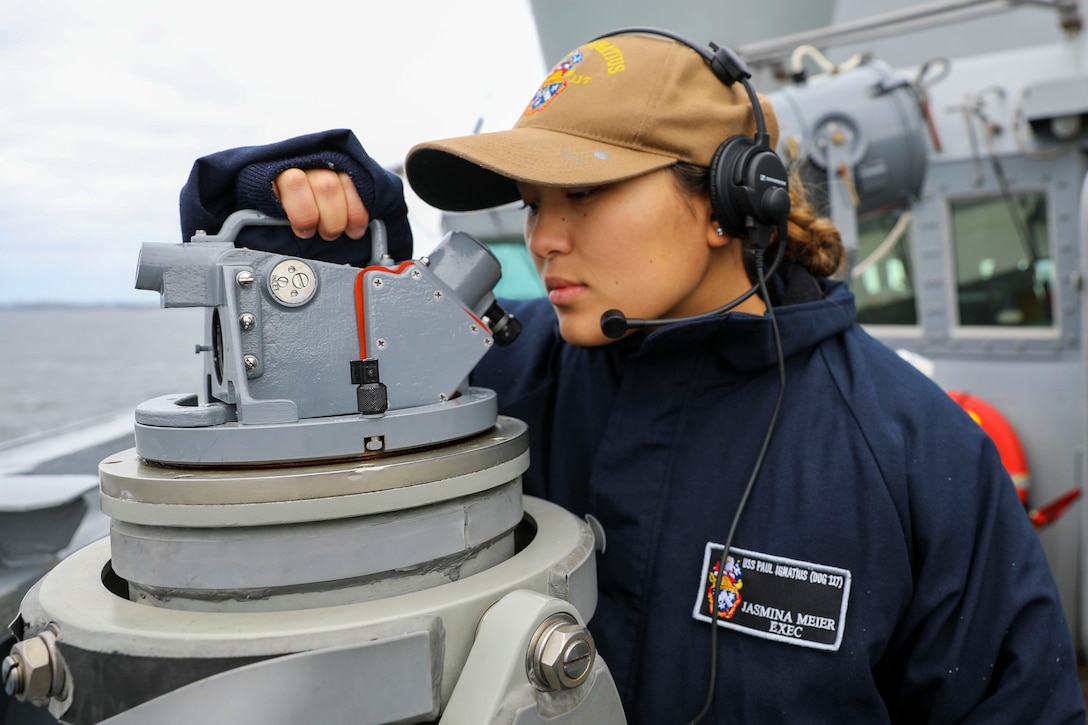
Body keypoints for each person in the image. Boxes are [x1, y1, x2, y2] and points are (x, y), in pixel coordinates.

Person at [179, 30, 1086, 724]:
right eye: (534, 202)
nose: (543, 237)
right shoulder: (502, 371)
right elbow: (310, 397)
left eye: (585, 192)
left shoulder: (917, 453)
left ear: (729, 203)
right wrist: (301, 239)